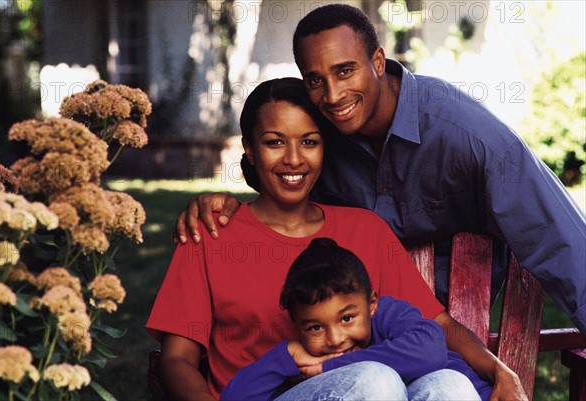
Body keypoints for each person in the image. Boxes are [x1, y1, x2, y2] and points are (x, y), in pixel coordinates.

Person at [175, 4, 586, 335]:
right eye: (315, 80)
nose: (332, 95)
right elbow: (277, 179)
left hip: (447, 330)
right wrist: (223, 203)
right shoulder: (318, 134)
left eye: (345, 70)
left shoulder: (471, 140)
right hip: (335, 335)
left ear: (377, 60)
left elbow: (562, 243)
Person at [146, 77, 498, 400]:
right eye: (274, 142)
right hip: (274, 394)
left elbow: (435, 326)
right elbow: (177, 361)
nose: (294, 159)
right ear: (250, 150)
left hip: (370, 388)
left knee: (448, 385)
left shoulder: (365, 229)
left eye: (309, 142)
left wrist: (500, 373)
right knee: (374, 379)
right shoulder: (210, 233)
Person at [221, 237, 493, 401]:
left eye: (347, 318)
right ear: (297, 324)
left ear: (372, 303)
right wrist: (285, 357)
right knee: (376, 379)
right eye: (315, 327)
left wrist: (330, 366)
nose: (335, 339)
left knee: (449, 383)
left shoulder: (386, 317)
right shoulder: (302, 357)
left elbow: (431, 350)